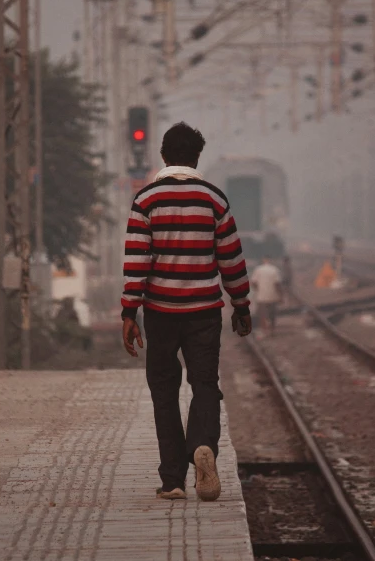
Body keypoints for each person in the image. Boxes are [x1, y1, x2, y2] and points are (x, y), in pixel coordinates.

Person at [120, 121, 252, 503]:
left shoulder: (145, 200)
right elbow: (231, 259)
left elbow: (137, 261)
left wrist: (130, 312)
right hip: (204, 312)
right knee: (205, 384)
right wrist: (241, 305)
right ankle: (202, 445)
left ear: (163, 156)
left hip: (160, 312)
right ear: (197, 157)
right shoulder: (214, 199)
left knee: (164, 391)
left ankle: (173, 480)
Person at [251, 256, 283, 334]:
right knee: (272, 314)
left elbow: (253, 282)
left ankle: (264, 330)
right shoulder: (275, 270)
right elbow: (277, 284)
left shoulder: (258, 269)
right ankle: (272, 329)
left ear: (263, 260)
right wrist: (280, 295)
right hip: (273, 295)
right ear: (270, 260)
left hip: (261, 296)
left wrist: (257, 290)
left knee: (262, 314)